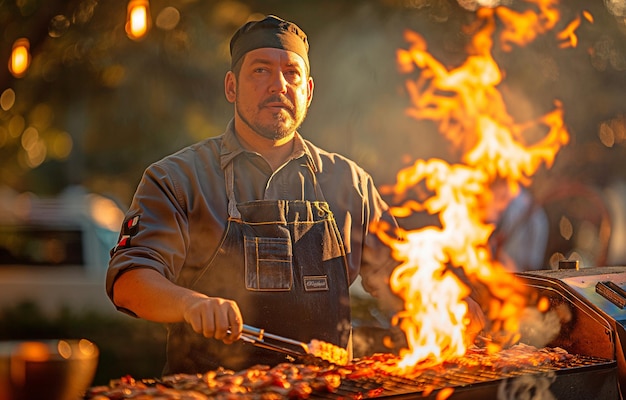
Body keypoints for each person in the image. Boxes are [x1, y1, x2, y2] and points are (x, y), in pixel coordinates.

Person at [106, 15, 484, 375]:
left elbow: (404, 278)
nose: (279, 85)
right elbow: (129, 281)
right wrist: (191, 304)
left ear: (308, 90)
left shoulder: (349, 183)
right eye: (260, 71)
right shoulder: (178, 179)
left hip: (328, 389)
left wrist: (454, 307)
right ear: (231, 87)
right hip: (213, 391)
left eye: (292, 73)